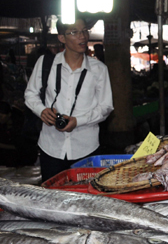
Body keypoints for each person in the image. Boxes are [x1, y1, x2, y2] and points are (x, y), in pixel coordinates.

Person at [24, 17, 114, 182]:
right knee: (51, 199)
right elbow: (30, 94)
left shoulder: (99, 69)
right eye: (75, 32)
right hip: (50, 147)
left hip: (86, 149)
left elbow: (106, 107)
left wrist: (78, 121)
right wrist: (42, 111)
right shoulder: (45, 63)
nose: (82, 36)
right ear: (62, 38)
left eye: (84, 31)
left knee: (85, 200)